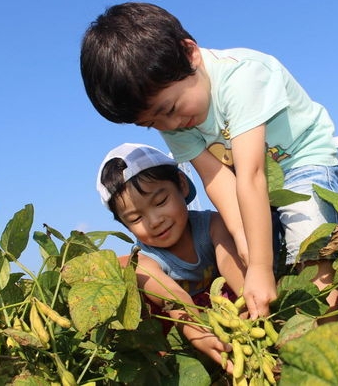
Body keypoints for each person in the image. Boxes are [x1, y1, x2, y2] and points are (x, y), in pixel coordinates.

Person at [82, 2, 338, 320]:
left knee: (308, 245)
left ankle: (329, 330)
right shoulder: (172, 117)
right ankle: (287, 327)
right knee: (260, 251)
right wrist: (243, 238)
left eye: (169, 110)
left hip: (302, 160)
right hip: (253, 181)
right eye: (151, 124)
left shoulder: (241, 78)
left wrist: (258, 266)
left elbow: (252, 174)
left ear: (190, 53)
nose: (168, 126)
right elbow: (217, 178)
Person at [97, 142, 246, 370]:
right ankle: (165, 364)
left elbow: (229, 260)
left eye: (160, 202)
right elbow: (172, 296)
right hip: (182, 318)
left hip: (224, 307)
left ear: (182, 185)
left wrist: (248, 303)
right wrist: (195, 331)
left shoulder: (212, 224)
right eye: (136, 219)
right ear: (126, 226)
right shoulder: (144, 258)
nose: (155, 221)